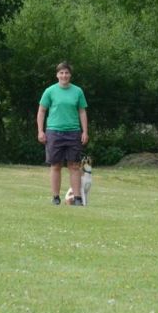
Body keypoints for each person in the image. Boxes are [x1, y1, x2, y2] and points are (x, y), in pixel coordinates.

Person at [37, 61, 89, 205]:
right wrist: (40, 131)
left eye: (66, 73)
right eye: (61, 73)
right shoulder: (50, 91)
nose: (64, 75)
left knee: (74, 166)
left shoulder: (77, 91)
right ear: (57, 75)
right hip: (54, 132)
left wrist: (85, 131)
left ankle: (77, 198)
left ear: (70, 75)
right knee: (56, 165)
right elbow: (41, 111)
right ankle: (55, 197)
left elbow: (82, 111)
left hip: (73, 132)